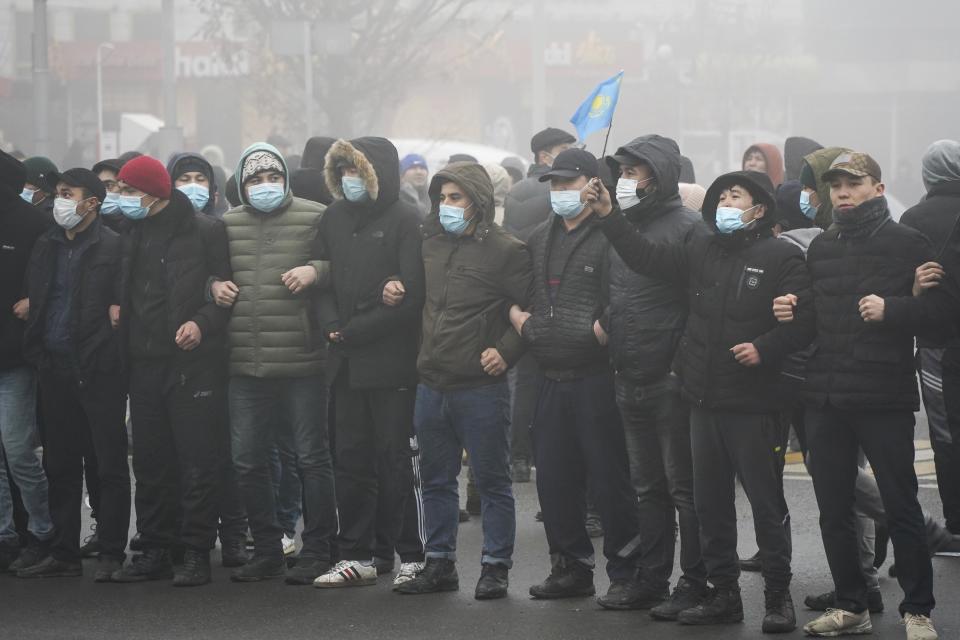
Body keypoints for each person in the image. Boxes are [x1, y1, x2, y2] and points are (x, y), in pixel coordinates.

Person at [593, 169, 813, 633]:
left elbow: (805, 322)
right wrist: (611, 216)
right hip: (700, 398)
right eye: (722, 196)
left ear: (760, 209)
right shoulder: (702, 248)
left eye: (738, 196)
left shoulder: (781, 256)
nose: (727, 203)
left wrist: (765, 347)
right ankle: (723, 594)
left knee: (766, 504)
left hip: (755, 404)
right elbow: (646, 257)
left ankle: (777, 597)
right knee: (710, 504)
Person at [774, 152, 945, 640]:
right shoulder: (822, 248)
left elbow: (940, 318)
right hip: (825, 394)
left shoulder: (909, 242)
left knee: (901, 503)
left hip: (883, 394)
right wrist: (789, 310)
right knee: (834, 508)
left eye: (854, 182)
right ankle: (851, 605)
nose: (843, 192)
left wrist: (895, 307)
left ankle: (917, 610)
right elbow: (812, 320)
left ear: (876, 186)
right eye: (836, 185)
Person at [391, 161, 533, 600]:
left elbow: (531, 312)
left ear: (479, 201)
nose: (447, 205)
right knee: (435, 480)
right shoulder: (429, 244)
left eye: (456, 197)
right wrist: (394, 284)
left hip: (481, 387)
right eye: (442, 198)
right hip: (431, 384)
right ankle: (439, 564)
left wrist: (505, 351)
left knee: (491, 482)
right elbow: (418, 298)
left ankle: (495, 567)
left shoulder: (508, 250)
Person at [506, 147, 640, 606]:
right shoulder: (540, 236)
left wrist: (601, 330)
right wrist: (522, 321)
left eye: (568, 183)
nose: (561, 191)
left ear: (592, 183)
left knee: (609, 480)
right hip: (548, 372)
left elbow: (626, 295)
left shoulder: (611, 233)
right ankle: (570, 567)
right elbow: (524, 292)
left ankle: (626, 571)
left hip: (596, 377)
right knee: (555, 480)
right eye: (555, 184)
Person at [209, 142, 336, 586]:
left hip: (303, 359)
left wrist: (316, 271)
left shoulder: (316, 214)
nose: (265, 186)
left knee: (311, 458)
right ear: (242, 185)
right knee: (247, 460)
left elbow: (342, 263)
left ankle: (319, 549)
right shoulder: (228, 223)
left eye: (272, 177)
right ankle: (266, 548)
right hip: (245, 360)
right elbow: (209, 269)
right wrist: (214, 285)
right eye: (255, 179)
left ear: (285, 177)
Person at [599, 136, 709, 620]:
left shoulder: (687, 226)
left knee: (684, 488)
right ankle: (651, 578)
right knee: (647, 488)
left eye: (634, 172)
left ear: (658, 175)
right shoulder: (623, 228)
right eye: (620, 171)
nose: (625, 181)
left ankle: (696, 580)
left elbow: (685, 294)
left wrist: (676, 364)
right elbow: (620, 292)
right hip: (628, 372)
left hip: (669, 378)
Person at [112, 155, 234, 587]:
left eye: (128, 190)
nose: (121, 198)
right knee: (149, 462)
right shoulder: (132, 232)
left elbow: (226, 296)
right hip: (142, 363)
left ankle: (196, 550)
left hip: (191, 365)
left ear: (152, 192)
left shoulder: (205, 230)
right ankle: (154, 548)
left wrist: (200, 324)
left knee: (197, 461)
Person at [310, 137, 425, 588]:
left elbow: (410, 294)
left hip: (390, 363)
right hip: (344, 364)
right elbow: (321, 276)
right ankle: (356, 555)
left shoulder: (405, 219)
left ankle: (411, 554)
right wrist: (331, 325)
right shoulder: (333, 217)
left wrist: (354, 330)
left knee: (395, 460)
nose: (348, 181)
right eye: (342, 172)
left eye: (356, 171)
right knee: (350, 459)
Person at [17, 168, 130, 581]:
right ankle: (63, 550)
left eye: (68, 194)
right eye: (58, 193)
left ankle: (112, 552)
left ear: (92, 203)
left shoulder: (113, 247)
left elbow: (121, 306)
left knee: (108, 463)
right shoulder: (46, 244)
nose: (59, 201)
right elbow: (40, 295)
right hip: (54, 365)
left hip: (99, 370)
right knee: (61, 465)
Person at [901, 140, 960, 538]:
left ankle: (956, 524)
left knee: (945, 432)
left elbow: (900, 280)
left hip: (938, 342)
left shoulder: (915, 217)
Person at [0, 150, 54, 574]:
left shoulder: (32, 222)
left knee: (18, 449)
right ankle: (5, 535)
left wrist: (35, 303)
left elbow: (55, 282)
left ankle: (41, 530)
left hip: (16, 358)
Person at [20, 156, 59, 225]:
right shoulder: (22, 208)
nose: (19, 187)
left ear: (47, 192)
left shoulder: (49, 219)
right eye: (19, 182)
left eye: (27, 184)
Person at [399, 153, 431, 218]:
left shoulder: (435, 196)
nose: (419, 172)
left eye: (422, 168)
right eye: (413, 168)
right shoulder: (397, 198)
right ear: (402, 176)